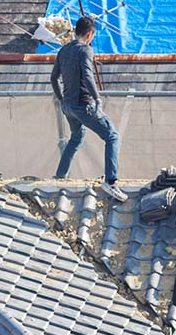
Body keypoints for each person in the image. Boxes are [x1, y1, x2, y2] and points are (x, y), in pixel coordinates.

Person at [51, 16, 125, 202]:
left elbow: (54, 78)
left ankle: (60, 177)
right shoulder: (86, 50)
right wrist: (97, 98)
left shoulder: (63, 50)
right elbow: (87, 74)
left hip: (68, 105)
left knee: (76, 138)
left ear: (76, 31)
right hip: (84, 104)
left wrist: (62, 100)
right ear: (90, 34)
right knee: (112, 136)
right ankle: (111, 182)